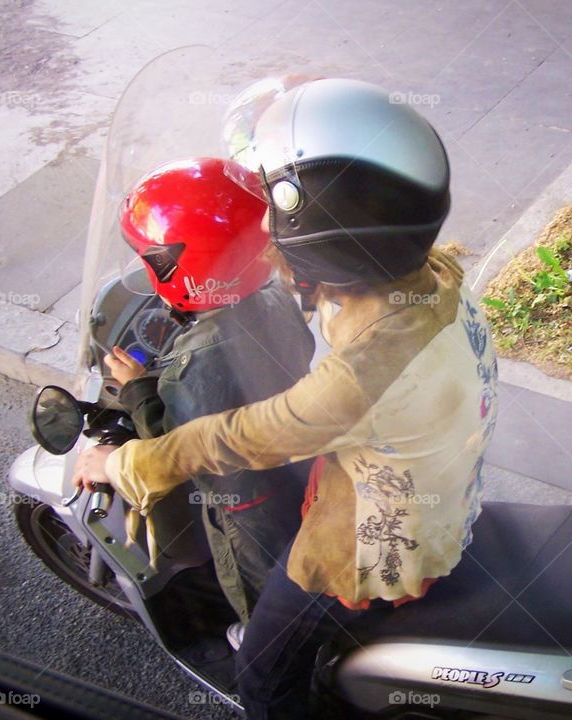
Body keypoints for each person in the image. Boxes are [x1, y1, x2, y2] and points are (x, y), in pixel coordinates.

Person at [74, 78, 498, 719]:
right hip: (443, 482)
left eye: (277, 218)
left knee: (264, 676)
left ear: (325, 246)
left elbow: (228, 438)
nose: (266, 228)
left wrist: (118, 465)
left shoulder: (361, 376)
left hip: (368, 546)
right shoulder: (430, 274)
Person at [106, 156, 315, 628]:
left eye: (156, 259)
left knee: (255, 588)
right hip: (298, 462)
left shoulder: (192, 364)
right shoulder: (276, 292)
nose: (150, 265)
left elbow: (179, 450)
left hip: (246, 504)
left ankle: (263, 645)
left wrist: (137, 390)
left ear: (187, 267)